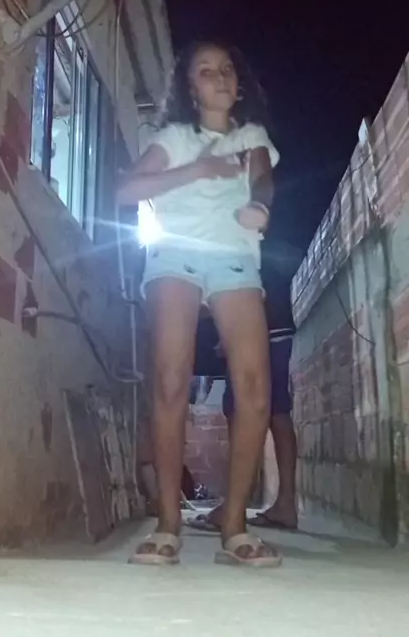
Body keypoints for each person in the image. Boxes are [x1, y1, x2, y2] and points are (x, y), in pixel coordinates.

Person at [117, 40, 281, 567]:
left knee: (254, 386)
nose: (220, 76)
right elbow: (126, 191)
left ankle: (234, 525)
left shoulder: (250, 136)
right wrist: (199, 171)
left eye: (227, 68)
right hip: (175, 255)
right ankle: (168, 524)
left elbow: (263, 178)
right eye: (206, 71)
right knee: (170, 379)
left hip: (233, 255)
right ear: (189, 88)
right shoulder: (174, 138)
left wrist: (259, 207)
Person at [186, 297, 297, 533]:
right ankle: (282, 502)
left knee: (241, 407)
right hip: (275, 321)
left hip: (253, 322)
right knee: (277, 409)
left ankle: (235, 506)